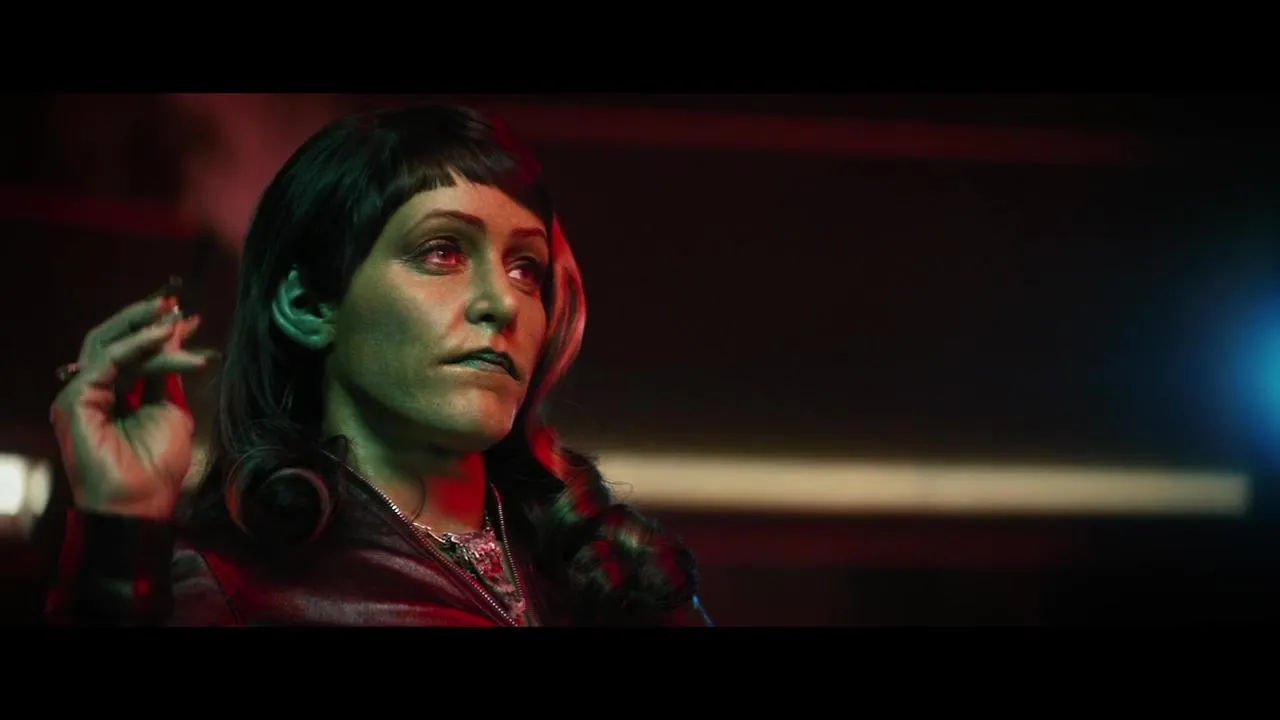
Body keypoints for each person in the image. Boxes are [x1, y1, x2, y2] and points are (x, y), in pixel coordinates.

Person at [44, 102, 710, 626]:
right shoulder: (231, 593)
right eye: (442, 251)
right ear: (308, 304)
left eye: (525, 267)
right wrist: (118, 540)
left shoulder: (612, 573)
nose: (502, 301)